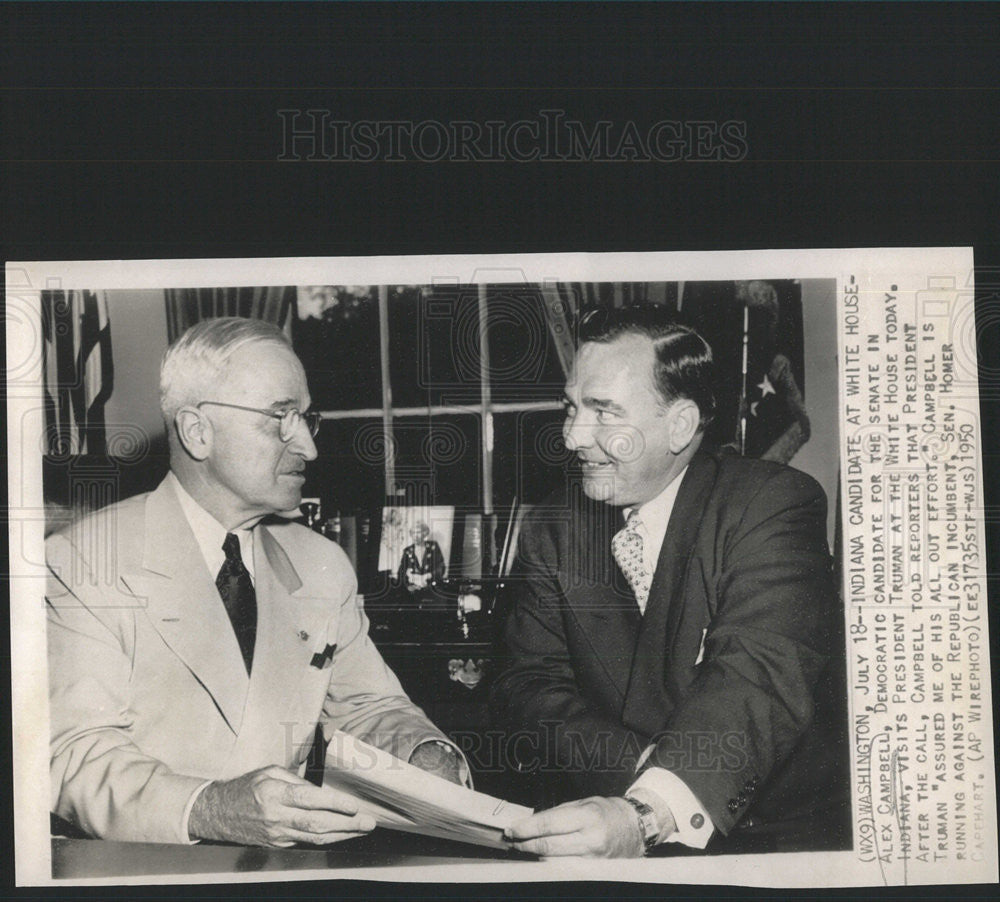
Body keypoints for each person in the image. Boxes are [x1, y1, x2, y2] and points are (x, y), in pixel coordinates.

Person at [47, 317, 463, 847]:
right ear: (198, 432)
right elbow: (73, 753)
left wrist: (424, 755)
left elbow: (368, 708)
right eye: (279, 418)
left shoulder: (321, 564)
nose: (309, 446)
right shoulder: (85, 561)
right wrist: (210, 808)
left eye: (307, 418)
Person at [491, 305, 848, 857]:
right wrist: (644, 773)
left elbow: (759, 674)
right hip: (606, 815)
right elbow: (527, 684)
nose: (571, 437)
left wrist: (655, 804)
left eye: (604, 412)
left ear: (679, 425)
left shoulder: (771, 504)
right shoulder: (553, 526)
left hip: (766, 839)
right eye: (572, 407)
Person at [397, 521, 446, 592]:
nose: (415, 536)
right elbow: (401, 573)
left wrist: (428, 576)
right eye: (413, 533)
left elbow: (441, 568)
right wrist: (408, 586)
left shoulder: (433, 547)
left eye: (418, 532)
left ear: (424, 533)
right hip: (413, 591)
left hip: (431, 589)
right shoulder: (407, 551)